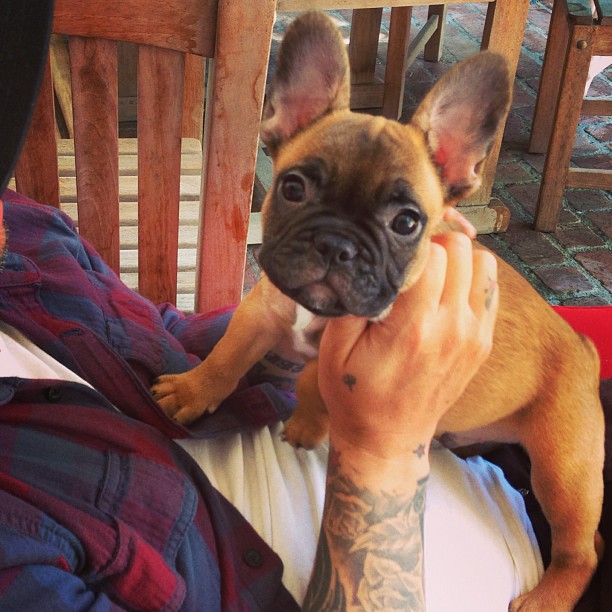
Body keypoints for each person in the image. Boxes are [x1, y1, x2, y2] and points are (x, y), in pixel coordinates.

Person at [0, 2, 609, 611]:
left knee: (575, 460)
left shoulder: (25, 232)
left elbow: (201, 324)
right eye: (297, 190)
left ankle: (575, 558)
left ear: (456, 178)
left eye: (401, 221)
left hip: (521, 422)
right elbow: (269, 316)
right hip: (413, 513)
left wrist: (239, 368)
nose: (336, 247)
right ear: (284, 123)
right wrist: (382, 452)